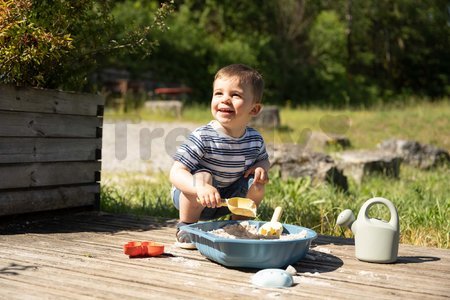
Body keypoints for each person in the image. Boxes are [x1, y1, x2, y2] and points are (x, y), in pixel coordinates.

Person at [169, 64, 271, 249]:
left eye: (235, 95)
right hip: (193, 198)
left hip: (227, 200)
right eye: (218, 93)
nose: (225, 100)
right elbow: (176, 172)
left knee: (255, 184)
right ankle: (186, 228)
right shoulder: (203, 136)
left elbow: (263, 159)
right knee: (203, 176)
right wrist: (199, 188)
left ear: (254, 109)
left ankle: (238, 225)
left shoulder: (254, 140)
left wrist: (261, 168)